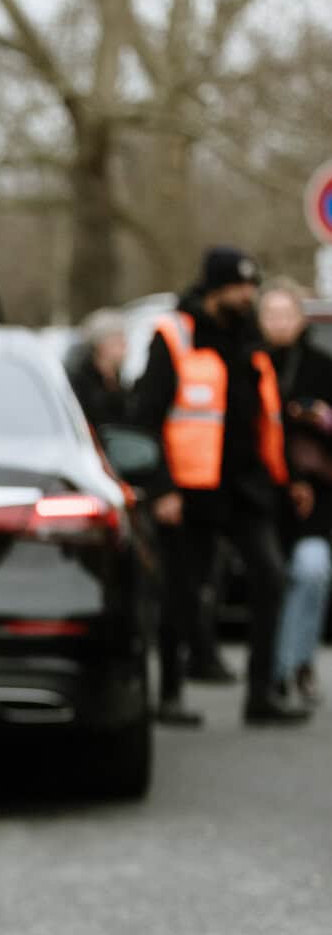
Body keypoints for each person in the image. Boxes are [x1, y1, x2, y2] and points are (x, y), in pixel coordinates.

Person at [132, 245, 305, 728]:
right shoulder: (176, 335)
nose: (248, 294)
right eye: (239, 286)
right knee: (181, 592)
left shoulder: (250, 338)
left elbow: (266, 416)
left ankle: (261, 694)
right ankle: (168, 693)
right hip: (190, 490)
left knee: (270, 579)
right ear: (215, 288)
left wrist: (284, 479)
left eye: (252, 286)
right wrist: (162, 488)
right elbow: (145, 419)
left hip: (247, 487)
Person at [258, 279, 332, 709]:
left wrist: (321, 419)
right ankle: (274, 671)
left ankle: (295, 664)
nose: (280, 324)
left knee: (312, 571)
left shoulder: (323, 367)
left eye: (287, 315)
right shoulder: (252, 364)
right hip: (266, 496)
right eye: (272, 315)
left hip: (316, 498)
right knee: (272, 581)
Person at [66, 309, 130, 431]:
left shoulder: (117, 379)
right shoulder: (81, 383)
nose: (125, 346)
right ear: (102, 345)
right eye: (118, 341)